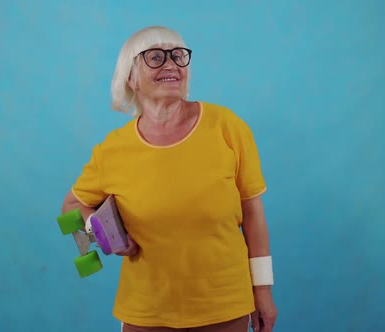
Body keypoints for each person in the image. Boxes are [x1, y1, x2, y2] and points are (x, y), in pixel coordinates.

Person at [61, 25, 278, 332]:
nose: (171, 64)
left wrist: (264, 290)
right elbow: (70, 209)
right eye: (155, 57)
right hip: (144, 314)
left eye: (178, 56)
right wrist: (101, 234)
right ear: (131, 77)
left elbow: (254, 214)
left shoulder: (227, 128)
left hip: (226, 308)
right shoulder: (111, 150)